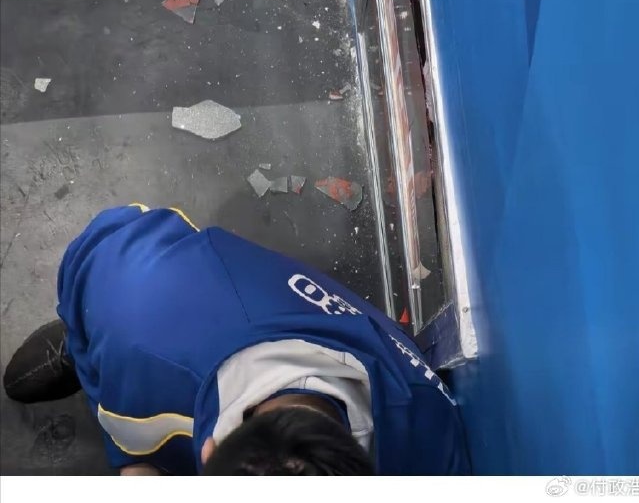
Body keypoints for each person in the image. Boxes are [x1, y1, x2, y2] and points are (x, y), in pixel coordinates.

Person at [3, 203, 470, 476]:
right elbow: (99, 245)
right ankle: (84, 353)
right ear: (206, 455)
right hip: (163, 327)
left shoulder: (432, 452)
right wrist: (134, 466)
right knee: (108, 348)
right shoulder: (140, 301)